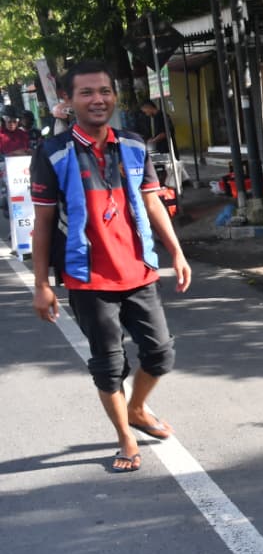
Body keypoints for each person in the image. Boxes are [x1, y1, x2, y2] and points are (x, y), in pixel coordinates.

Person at [29, 59, 192, 474]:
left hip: (138, 270)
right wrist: (42, 284)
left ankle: (137, 408)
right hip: (87, 278)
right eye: (86, 92)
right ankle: (125, 436)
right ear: (68, 100)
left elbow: (153, 200)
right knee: (109, 363)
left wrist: (176, 251)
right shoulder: (53, 153)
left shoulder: (134, 145)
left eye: (103, 91)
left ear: (114, 96)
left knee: (160, 353)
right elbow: (44, 222)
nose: (97, 99)